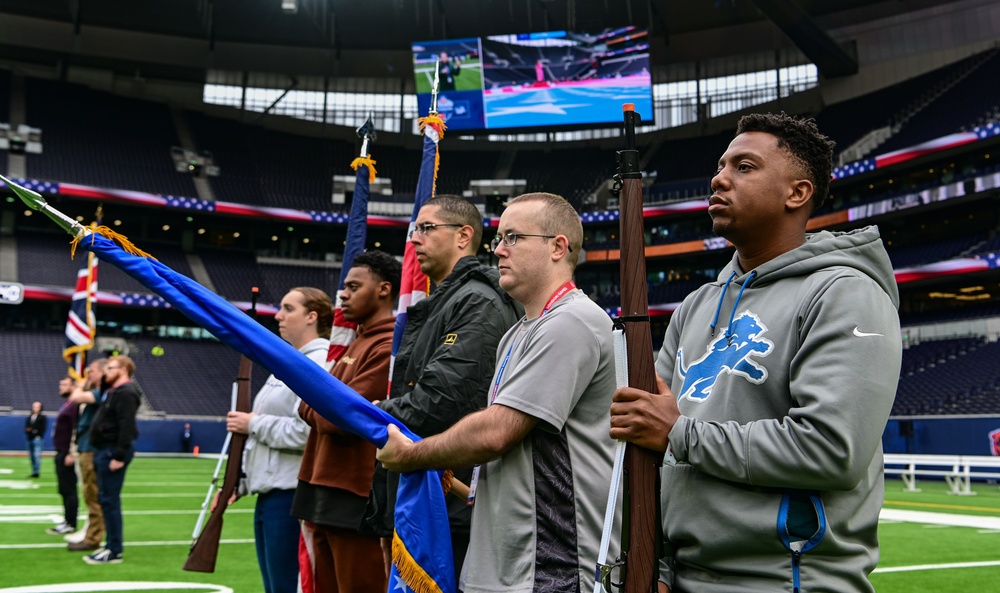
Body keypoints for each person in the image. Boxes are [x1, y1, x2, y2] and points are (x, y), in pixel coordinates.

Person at [609, 113, 902, 593]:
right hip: (682, 578)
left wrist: (680, 433)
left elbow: (831, 450)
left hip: (787, 580)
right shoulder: (696, 304)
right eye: (721, 165)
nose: (719, 178)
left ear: (797, 193)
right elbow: (648, 442)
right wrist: (656, 566)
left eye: (744, 167)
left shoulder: (844, 293)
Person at [378, 192, 619, 592]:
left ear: (559, 247)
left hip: (548, 567)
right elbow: (520, 456)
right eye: (498, 240)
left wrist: (413, 455)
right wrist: (456, 484)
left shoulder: (571, 321)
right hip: (507, 563)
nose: (499, 251)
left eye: (513, 238)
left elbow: (496, 433)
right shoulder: (516, 332)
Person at [368, 194, 521, 578]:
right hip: (429, 495)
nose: (414, 240)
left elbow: (441, 400)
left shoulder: (477, 302)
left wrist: (369, 413)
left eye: (426, 228)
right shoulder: (447, 300)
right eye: (413, 229)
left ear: (463, 235)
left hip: (452, 503)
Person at [293, 251, 401, 592]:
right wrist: (319, 406)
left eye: (354, 287)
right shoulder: (354, 341)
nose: (344, 294)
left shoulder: (387, 346)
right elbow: (309, 408)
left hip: (354, 494)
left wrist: (318, 406)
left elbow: (341, 418)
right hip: (322, 485)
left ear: (384, 289)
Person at [225, 287, 331, 593]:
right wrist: (240, 482)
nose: (279, 315)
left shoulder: (318, 362)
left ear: (312, 317)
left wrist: (253, 423)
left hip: (291, 494)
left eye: (288, 308)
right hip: (270, 491)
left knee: (286, 586)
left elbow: (307, 431)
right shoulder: (288, 361)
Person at [84, 355, 141, 565]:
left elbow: (127, 426)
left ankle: (114, 549)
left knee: (110, 501)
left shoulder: (126, 392)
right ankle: (110, 546)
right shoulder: (114, 391)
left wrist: (118, 455)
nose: (106, 371)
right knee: (106, 501)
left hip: (111, 452)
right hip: (105, 450)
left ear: (124, 369)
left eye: (111, 368)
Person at [68, 358, 108, 552]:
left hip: (92, 448)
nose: (88, 374)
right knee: (89, 493)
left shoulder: (102, 392)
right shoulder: (97, 391)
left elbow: (75, 397)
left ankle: (93, 537)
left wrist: (81, 384)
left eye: (91, 371)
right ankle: (91, 533)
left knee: (93, 494)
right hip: (85, 446)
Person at [47, 377, 80, 536]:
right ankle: (68, 520)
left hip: (67, 453)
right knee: (64, 489)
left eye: (64, 384)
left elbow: (76, 430)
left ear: (74, 386)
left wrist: (71, 453)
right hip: (61, 451)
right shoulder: (69, 404)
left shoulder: (75, 406)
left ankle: (71, 522)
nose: (60, 386)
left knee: (69, 489)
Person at [24, 401, 46, 478]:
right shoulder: (29, 417)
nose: (35, 408)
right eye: (34, 407)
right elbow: (26, 428)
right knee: (32, 456)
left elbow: (41, 429)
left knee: (37, 455)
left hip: (37, 439)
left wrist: (33, 431)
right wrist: (31, 430)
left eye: (37, 407)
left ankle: (36, 472)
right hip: (29, 438)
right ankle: (34, 471)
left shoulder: (42, 418)